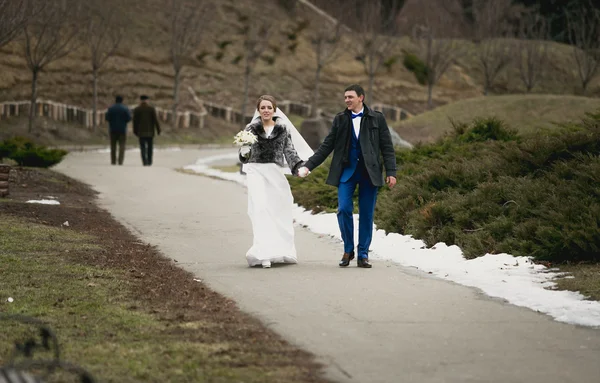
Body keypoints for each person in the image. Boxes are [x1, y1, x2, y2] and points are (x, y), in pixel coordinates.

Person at [297, 84, 397, 268]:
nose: (347, 100)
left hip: (370, 172)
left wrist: (391, 172)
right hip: (347, 172)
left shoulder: (377, 119)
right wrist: (309, 166)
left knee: (367, 214)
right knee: (343, 209)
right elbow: (327, 146)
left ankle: (363, 254)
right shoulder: (340, 119)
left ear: (361, 97)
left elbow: (387, 148)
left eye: (350, 97)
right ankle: (348, 249)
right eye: (345, 98)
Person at [239, 95, 313, 268]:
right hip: (256, 172)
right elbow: (244, 156)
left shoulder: (282, 130)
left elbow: (290, 152)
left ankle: (280, 250)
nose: (266, 110)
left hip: (275, 173)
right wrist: (243, 151)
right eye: (262, 107)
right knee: (260, 208)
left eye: (269, 107)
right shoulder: (250, 129)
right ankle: (262, 253)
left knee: (279, 210)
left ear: (274, 110)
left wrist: (298, 168)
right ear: (258, 110)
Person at [133, 95, 161, 166]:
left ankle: (144, 161)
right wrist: (158, 130)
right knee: (150, 148)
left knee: (142, 148)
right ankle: (149, 161)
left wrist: (135, 131)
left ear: (140, 100)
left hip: (141, 132)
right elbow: (155, 120)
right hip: (150, 132)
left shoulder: (137, 109)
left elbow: (135, 122)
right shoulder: (151, 109)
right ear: (147, 100)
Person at [105, 95, 131, 165]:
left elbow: (107, 118)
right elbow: (129, 118)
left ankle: (113, 161)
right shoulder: (125, 109)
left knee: (113, 146)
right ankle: (120, 161)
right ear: (122, 101)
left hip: (113, 129)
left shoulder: (111, 108)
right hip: (122, 129)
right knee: (122, 146)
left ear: (115, 100)